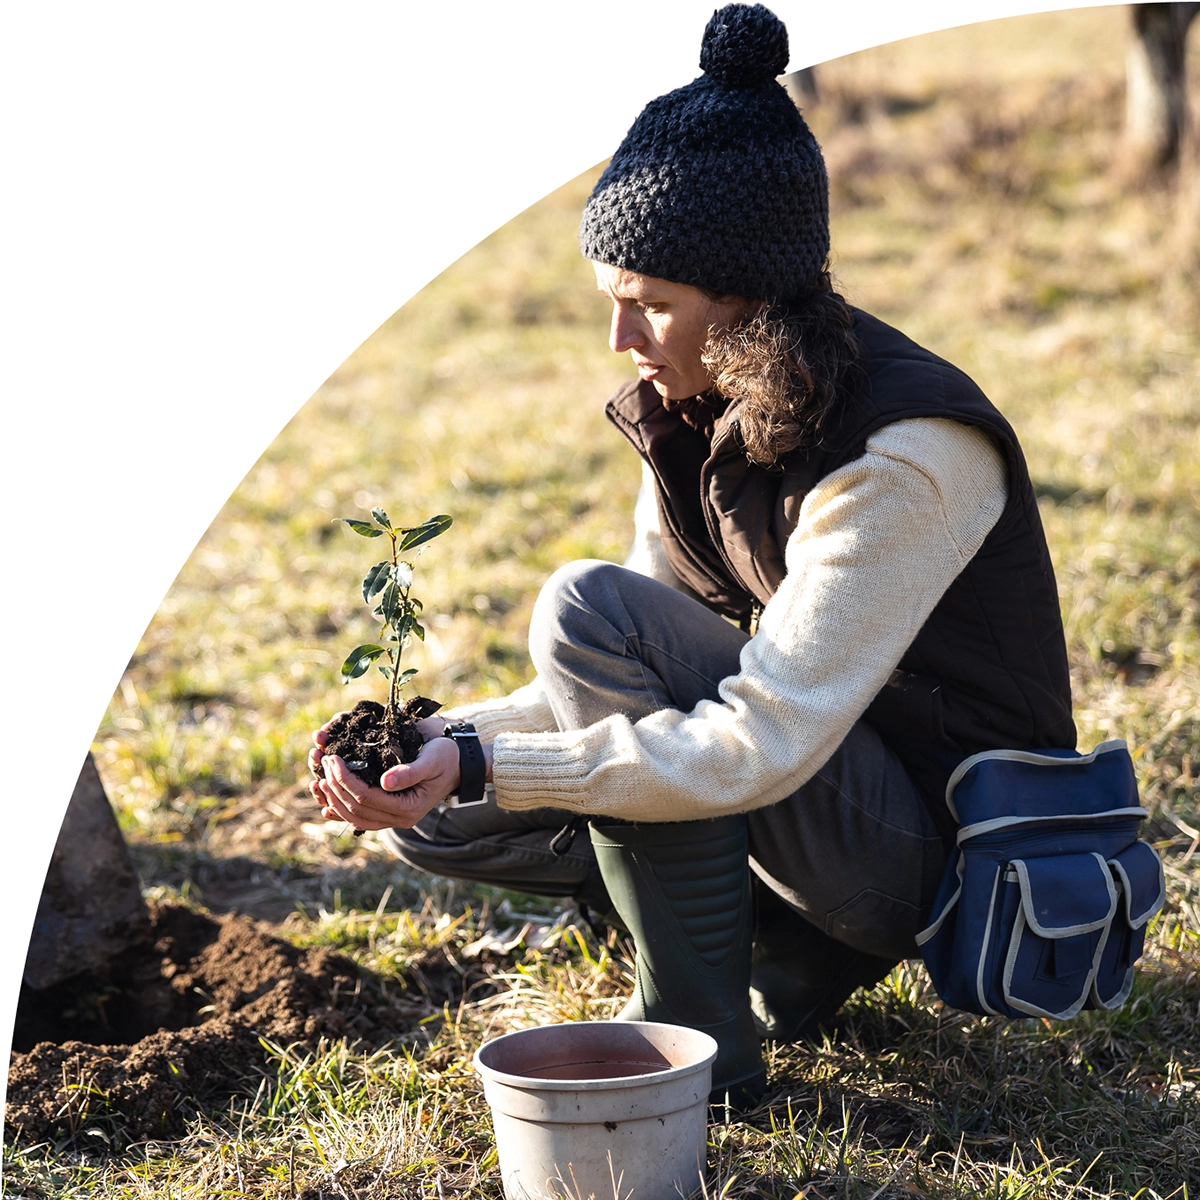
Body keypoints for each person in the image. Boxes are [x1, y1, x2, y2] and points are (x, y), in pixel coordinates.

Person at [310, 3, 1075, 1106]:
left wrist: (492, 761)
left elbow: (761, 737)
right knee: (440, 809)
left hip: (939, 861)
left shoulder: (906, 452)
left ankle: (700, 1035)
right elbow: (612, 684)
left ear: (749, 299)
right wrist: (437, 744)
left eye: (650, 306)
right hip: (809, 792)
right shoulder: (703, 405)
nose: (619, 342)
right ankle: (782, 959)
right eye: (614, 302)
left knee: (585, 606)